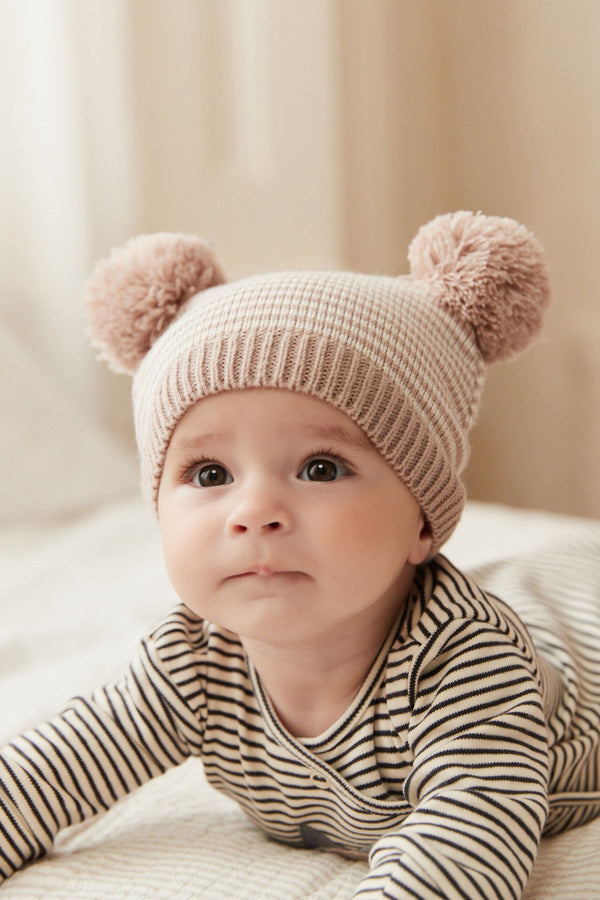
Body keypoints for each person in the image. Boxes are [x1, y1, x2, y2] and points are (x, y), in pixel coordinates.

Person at [1, 211, 600, 899]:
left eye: (320, 469)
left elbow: (465, 850)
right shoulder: (195, 659)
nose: (253, 511)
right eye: (209, 475)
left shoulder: (466, 668)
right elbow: (50, 771)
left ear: (424, 523)